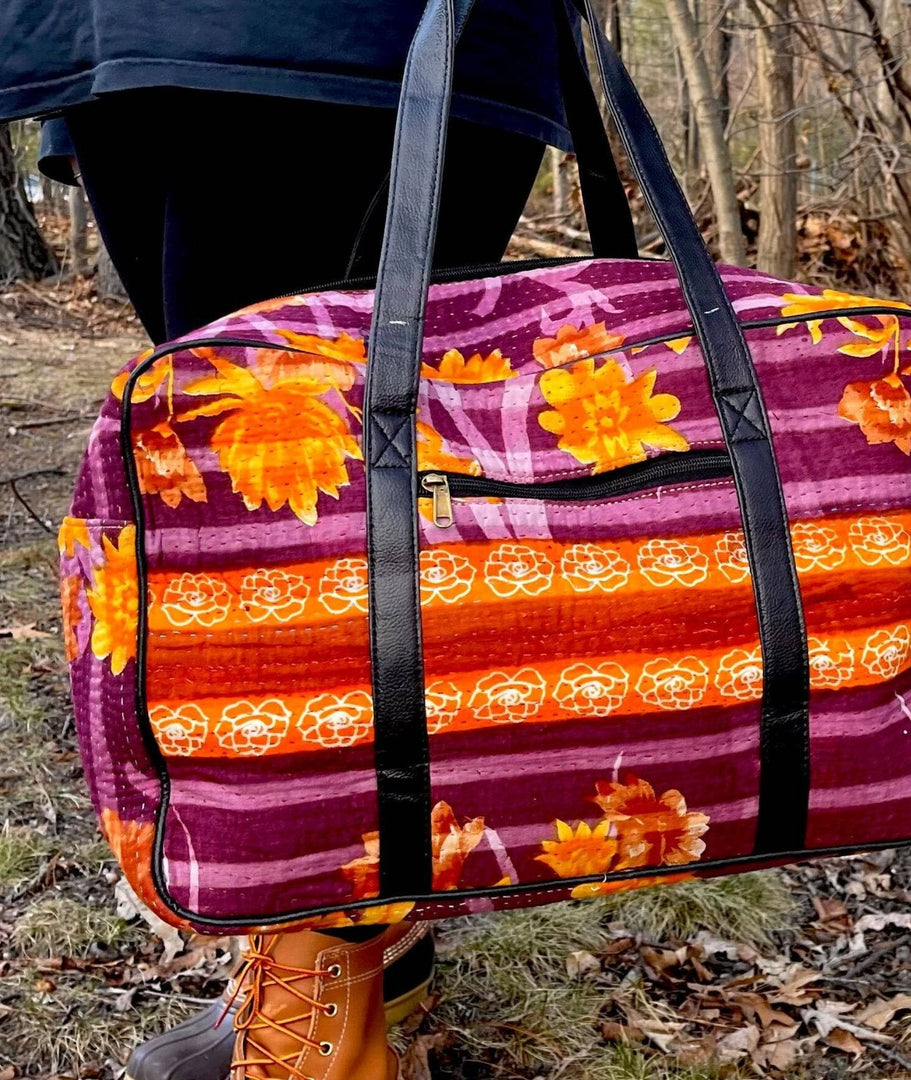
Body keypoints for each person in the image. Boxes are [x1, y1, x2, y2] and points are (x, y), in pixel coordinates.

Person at [0, 3, 578, 1078]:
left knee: (324, 518)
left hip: (347, 28)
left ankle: (331, 981)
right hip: (107, 43)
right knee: (256, 504)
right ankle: (364, 940)